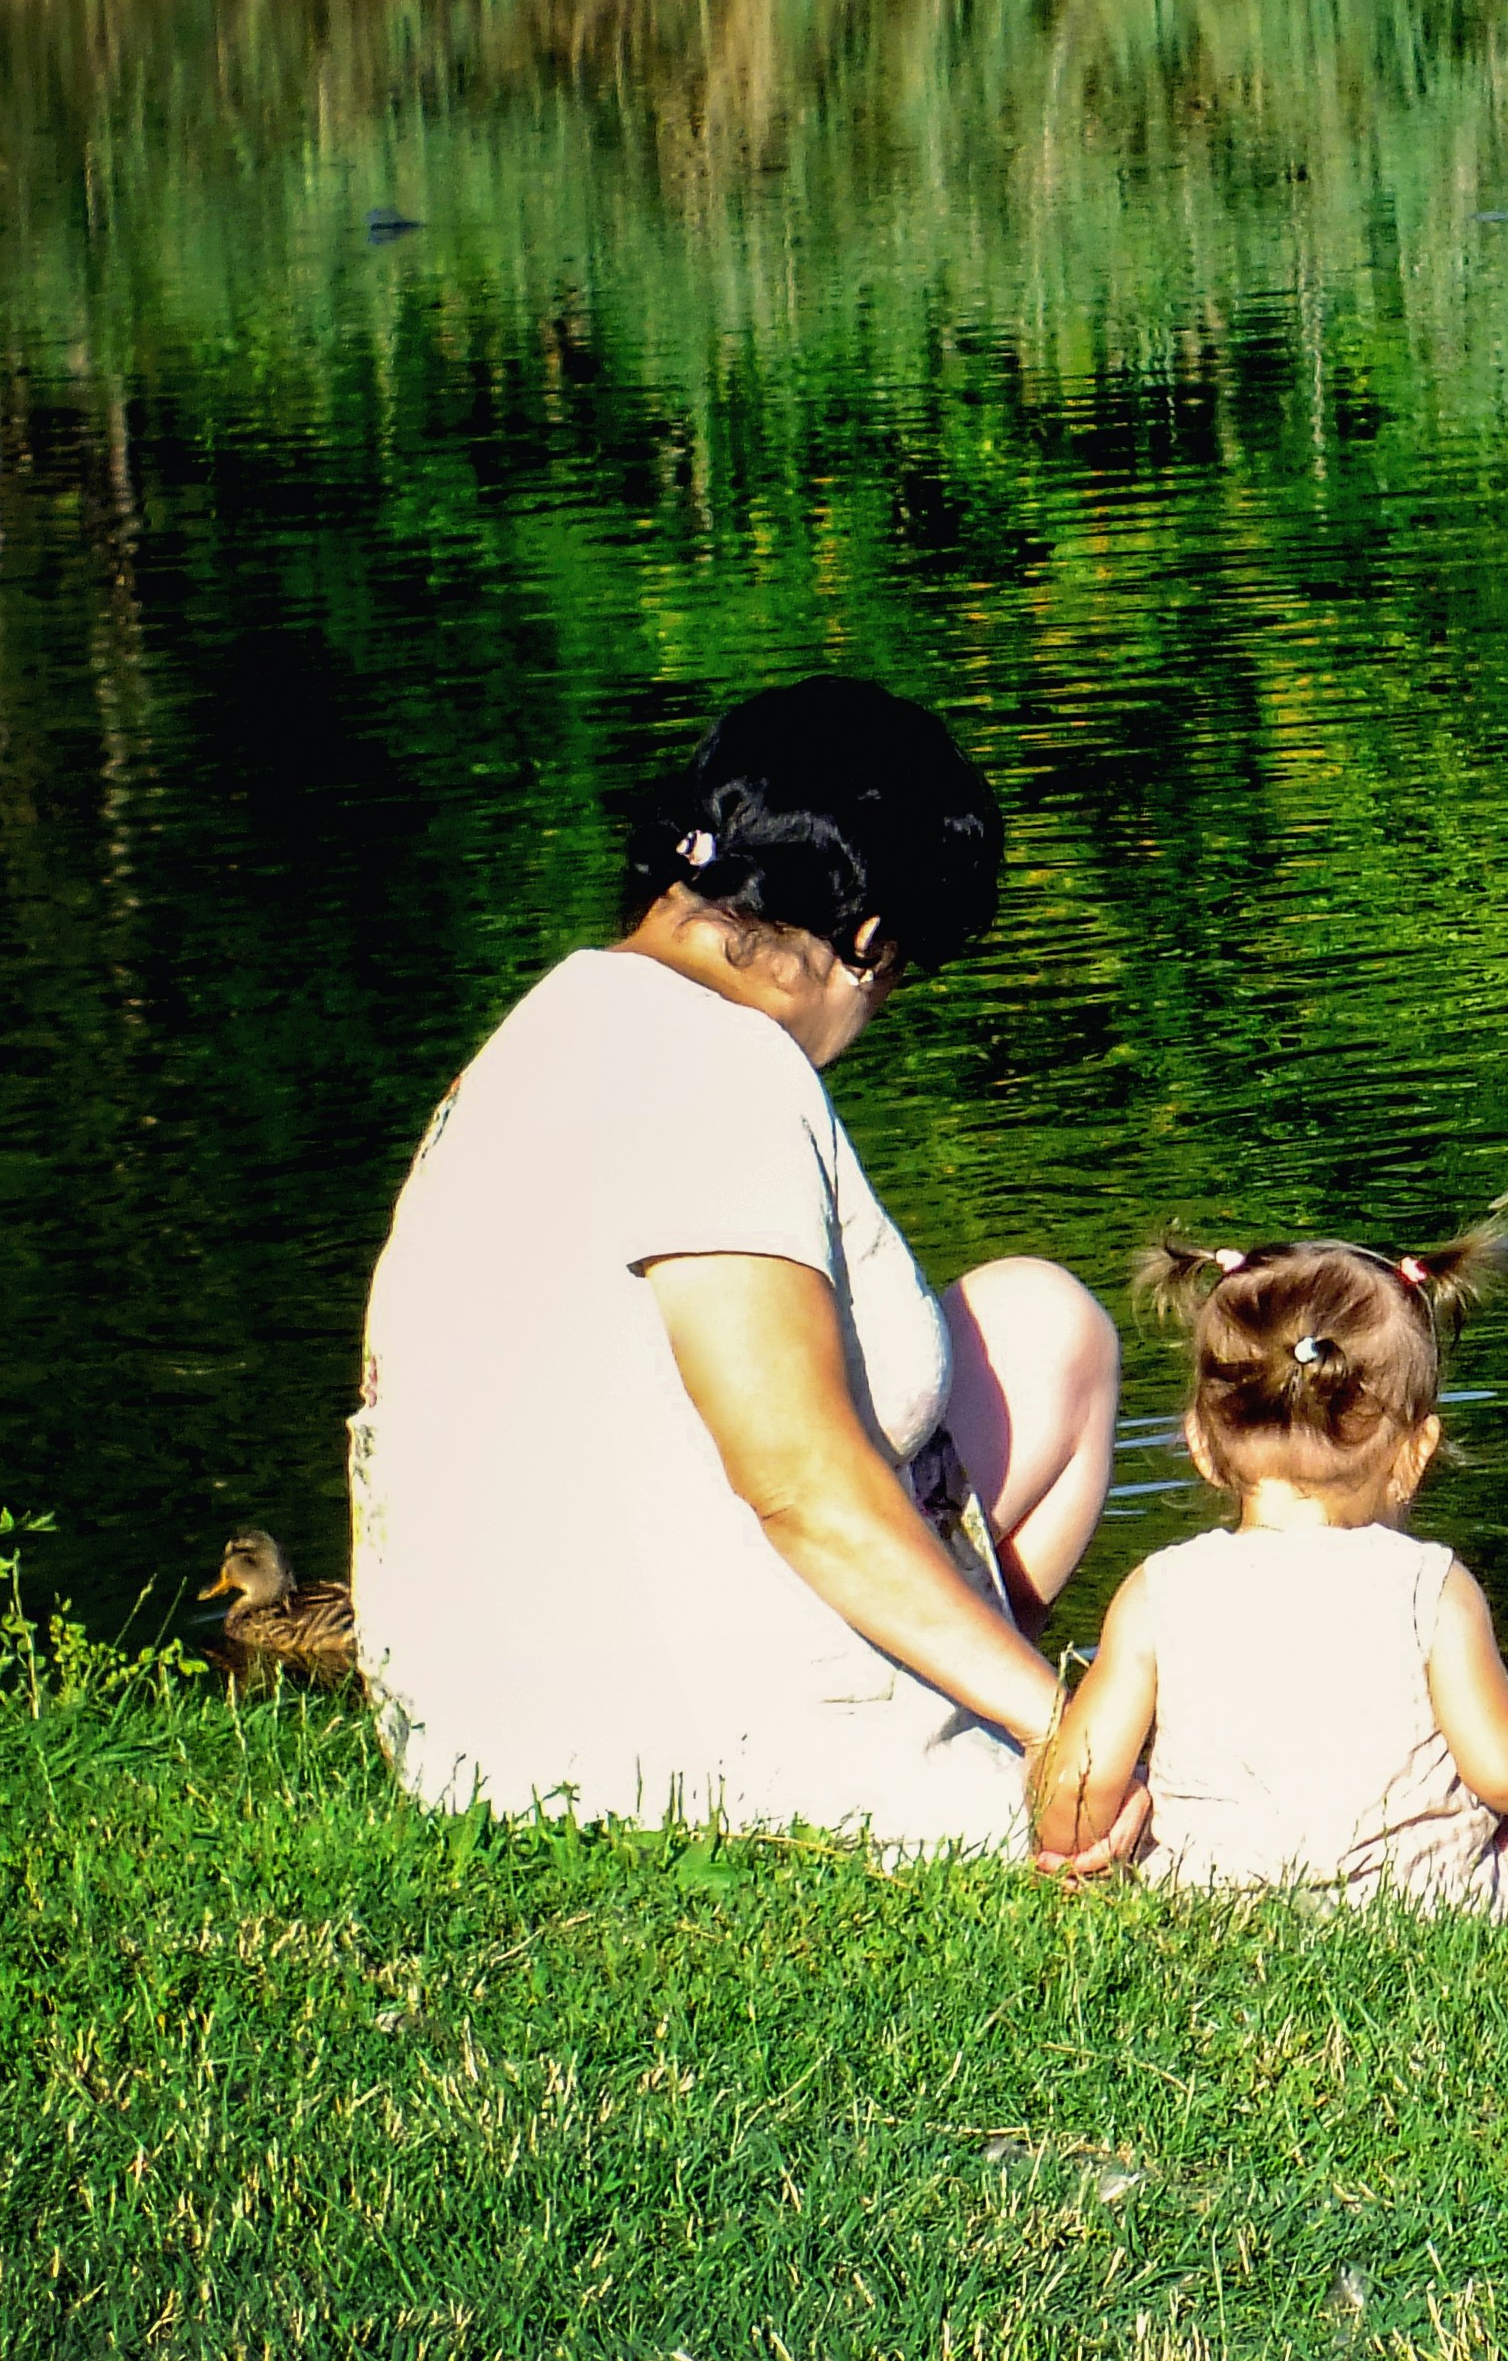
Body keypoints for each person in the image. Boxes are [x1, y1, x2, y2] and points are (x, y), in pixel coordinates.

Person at [350, 676, 1123, 1855]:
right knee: (1406, 1849)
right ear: (867, 942)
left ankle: (953, 1680)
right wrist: (1061, 1732)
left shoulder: (553, 1022)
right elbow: (800, 1480)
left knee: (1045, 1329)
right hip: (671, 1755)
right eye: (902, 973)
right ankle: (959, 1722)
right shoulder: (714, 1072)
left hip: (476, 1718)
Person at [1028, 1236, 1508, 1911]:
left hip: (1207, 1908)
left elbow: (1075, 1790)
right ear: (1416, 1453)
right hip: (1427, 1911)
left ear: (1202, 1447)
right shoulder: (1431, 1586)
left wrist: (1085, 1836)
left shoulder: (1159, 1589)